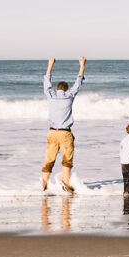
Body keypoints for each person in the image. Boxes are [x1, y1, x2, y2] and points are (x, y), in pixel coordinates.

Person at [42, 56, 86, 192]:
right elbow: (78, 82)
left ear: (57, 89)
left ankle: (43, 187)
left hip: (52, 132)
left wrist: (50, 64)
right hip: (65, 133)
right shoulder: (69, 95)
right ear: (66, 89)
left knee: (49, 161)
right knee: (67, 161)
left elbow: (46, 81)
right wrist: (82, 65)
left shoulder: (51, 95)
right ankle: (66, 186)